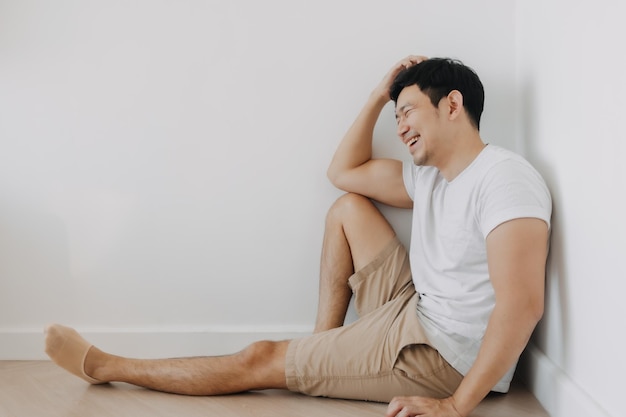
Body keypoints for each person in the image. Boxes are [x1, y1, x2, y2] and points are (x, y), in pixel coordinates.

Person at [44, 55, 552, 417]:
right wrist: (380, 94)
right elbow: (342, 171)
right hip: (416, 308)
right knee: (348, 208)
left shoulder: (503, 178)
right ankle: (324, 348)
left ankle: (104, 365)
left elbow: (522, 305)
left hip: (441, 356)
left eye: (408, 110)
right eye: (396, 115)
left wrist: (456, 406)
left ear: (452, 104)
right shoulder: (432, 177)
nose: (399, 126)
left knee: (259, 359)